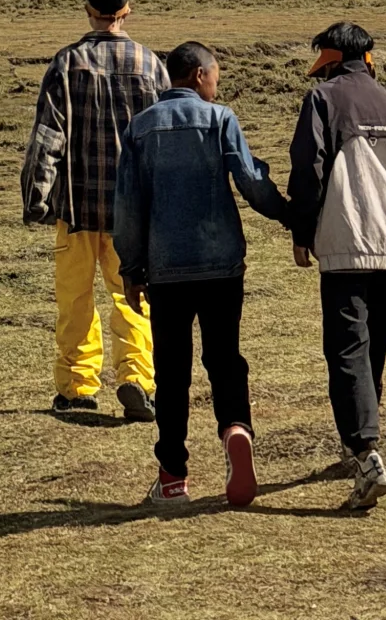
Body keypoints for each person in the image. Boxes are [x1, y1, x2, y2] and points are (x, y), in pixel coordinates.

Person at [114, 41, 290, 507]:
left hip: (166, 268)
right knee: (225, 358)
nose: (218, 83)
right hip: (221, 264)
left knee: (171, 372)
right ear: (197, 75)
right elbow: (250, 181)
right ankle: (235, 428)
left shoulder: (139, 128)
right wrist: (290, 216)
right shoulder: (220, 119)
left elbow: (128, 208)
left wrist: (130, 268)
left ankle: (173, 475)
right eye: (216, 75)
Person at [21, 0, 169, 422]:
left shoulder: (66, 64)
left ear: (88, 9)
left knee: (75, 301)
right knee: (133, 298)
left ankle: (77, 388)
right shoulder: (151, 65)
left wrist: (36, 197)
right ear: (126, 10)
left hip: (77, 208)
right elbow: (162, 137)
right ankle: (138, 379)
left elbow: (49, 136)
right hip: (134, 214)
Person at [286, 22, 386, 512]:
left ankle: (365, 452)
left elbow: (308, 170)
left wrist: (302, 232)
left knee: (346, 349)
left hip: (345, 238)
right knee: (372, 345)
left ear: (329, 59)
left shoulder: (322, 100)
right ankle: (361, 442)